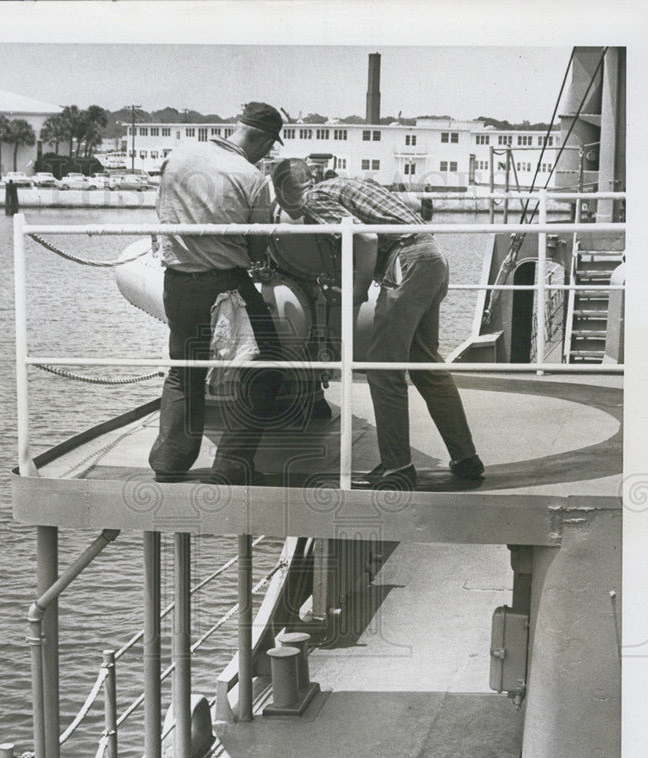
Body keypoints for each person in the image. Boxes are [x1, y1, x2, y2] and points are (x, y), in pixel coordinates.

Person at [271, 158, 485, 491]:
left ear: (284, 192)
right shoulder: (349, 182)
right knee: (427, 365)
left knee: (383, 369)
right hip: (432, 255)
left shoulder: (313, 199)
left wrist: (357, 292)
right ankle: (465, 456)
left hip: (407, 262)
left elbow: (367, 238)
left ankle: (398, 468)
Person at [148, 102, 287, 486]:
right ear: (259, 137)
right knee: (267, 366)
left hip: (177, 281)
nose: (267, 154)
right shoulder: (252, 176)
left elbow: (163, 211)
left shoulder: (180, 156)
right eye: (269, 146)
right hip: (225, 283)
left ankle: (169, 460)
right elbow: (258, 247)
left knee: (184, 369)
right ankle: (232, 462)